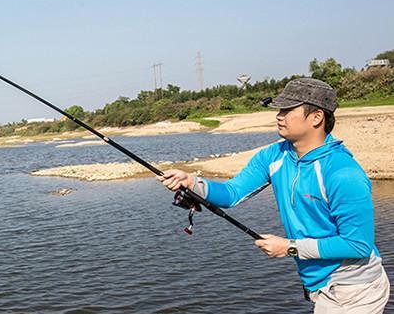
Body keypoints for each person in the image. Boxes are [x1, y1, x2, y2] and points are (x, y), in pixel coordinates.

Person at [157, 78, 390, 313]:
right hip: (319, 286)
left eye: (288, 110)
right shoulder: (274, 155)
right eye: (280, 109)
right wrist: (191, 182)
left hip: (354, 289)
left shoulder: (342, 172)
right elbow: (231, 193)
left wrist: (289, 247)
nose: (279, 116)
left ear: (317, 117)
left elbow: (357, 244)